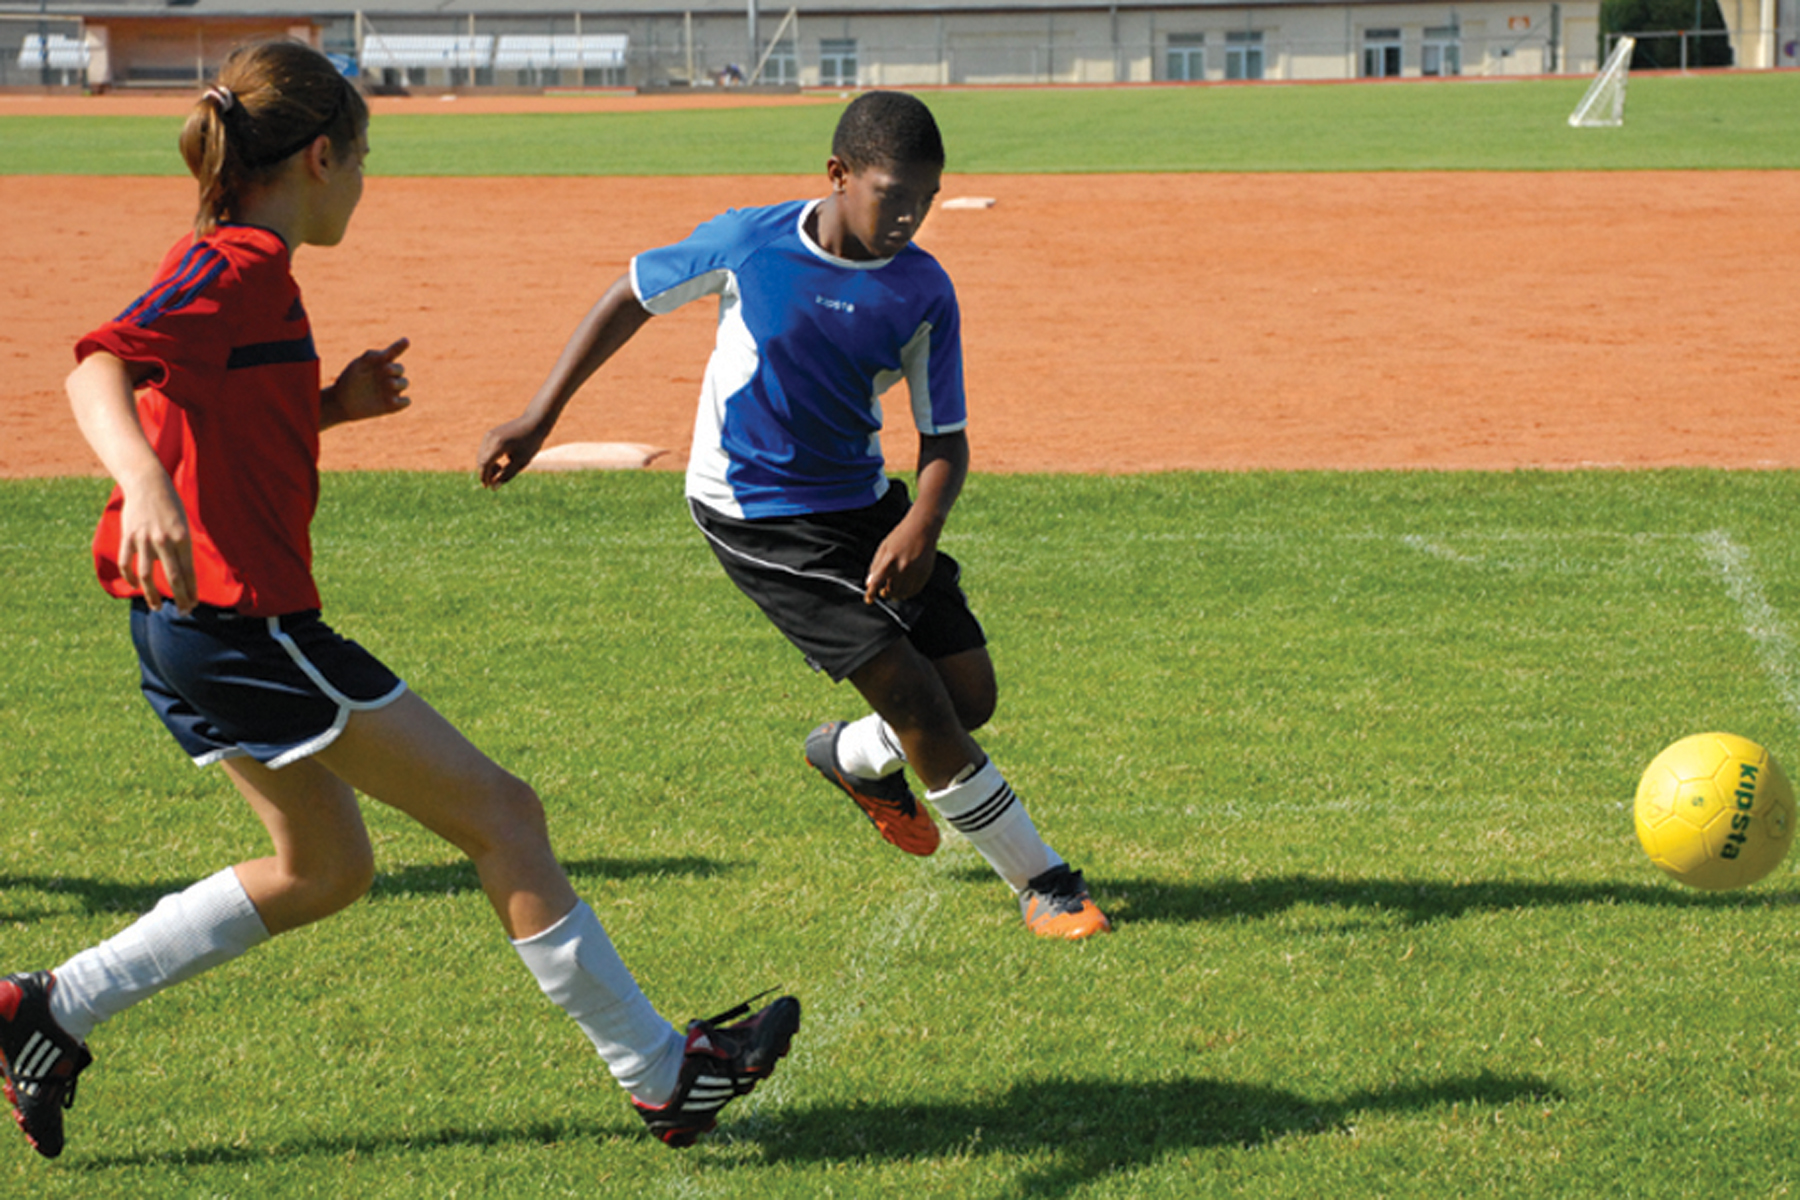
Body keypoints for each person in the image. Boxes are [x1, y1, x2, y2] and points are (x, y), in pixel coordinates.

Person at [0, 39, 797, 1161]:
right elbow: (102, 367)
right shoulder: (231, 263)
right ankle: (665, 1076)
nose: (368, 185)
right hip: (246, 627)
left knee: (323, 868)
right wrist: (139, 482)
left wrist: (330, 406)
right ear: (320, 156)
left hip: (199, 627)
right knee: (504, 816)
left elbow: (221, 414)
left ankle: (48, 1009)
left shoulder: (257, 271)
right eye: (365, 161)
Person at [477, 90, 1111, 942]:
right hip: (755, 512)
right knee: (919, 698)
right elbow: (631, 294)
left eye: (926, 198)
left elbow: (945, 440)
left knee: (969, 694)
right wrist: (539, 416)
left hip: (861, 499)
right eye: (894, 195)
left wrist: (920, 522)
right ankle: (1045, 885)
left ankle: (849, 756)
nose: (910, 217)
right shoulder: (752, 244)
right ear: (839, 175)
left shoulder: (922, 290)